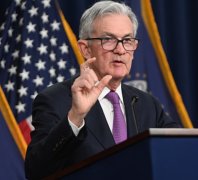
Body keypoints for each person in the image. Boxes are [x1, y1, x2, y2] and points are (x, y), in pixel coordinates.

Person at [24, 1, 180, 179]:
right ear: (86, 49)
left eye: (127, 40)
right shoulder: (55, 100)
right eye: (108, 40)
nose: (120, 50)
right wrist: (75, 117)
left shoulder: (147, 104)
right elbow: (36, 171)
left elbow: (179, 151)